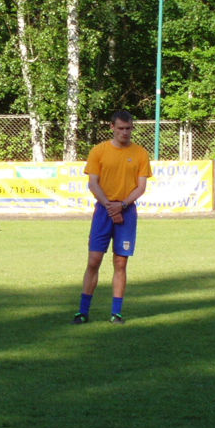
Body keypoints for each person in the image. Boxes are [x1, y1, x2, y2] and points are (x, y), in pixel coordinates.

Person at [72, 110, 152, 325]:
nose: (124, 132)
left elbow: (141, 187)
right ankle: (82, 312)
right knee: (94, 260)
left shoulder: (140, 153)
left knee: (120, 262)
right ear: (112, 128)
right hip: (103, 211)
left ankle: (116, 313)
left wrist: (122, 205)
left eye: (128, 128)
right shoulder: (99, 151)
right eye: (120, 128)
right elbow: (93, 183)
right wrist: (109, 206)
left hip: (127, 212)